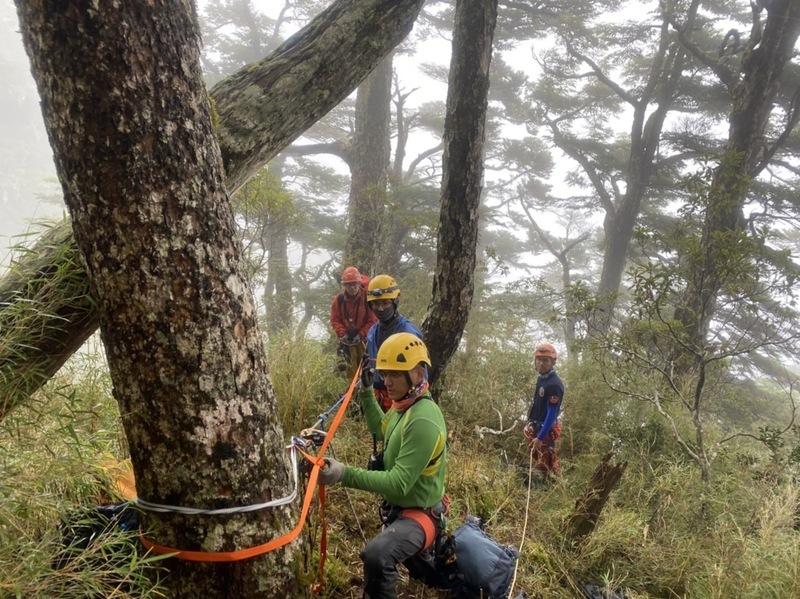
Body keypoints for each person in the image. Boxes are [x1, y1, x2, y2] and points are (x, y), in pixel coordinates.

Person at [317, 333, 447, 599]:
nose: (387, 381)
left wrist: (344, 473)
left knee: (377, 556)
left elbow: (399, 482)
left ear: (418, 373)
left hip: (421, 514)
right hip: (401, 509)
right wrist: (366, 392)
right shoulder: (405, 407)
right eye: (385, 373)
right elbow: (380, 428)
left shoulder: (423, 419)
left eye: (396, 375)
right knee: (422, 571)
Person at [363, 274, 423, 411]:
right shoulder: (372, 332)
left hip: (403, 400)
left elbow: (420, 377)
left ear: (395, 302)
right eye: (376, 304)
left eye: (385, 303)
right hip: (378, 397)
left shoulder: (409, 333)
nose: (381, 309)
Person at [523, 343, 564, 483]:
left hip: (546, 430)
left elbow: (551, 414)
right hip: (537, 425)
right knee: (538, 458)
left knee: (549, 463)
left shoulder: (554, 385)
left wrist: (540, 437)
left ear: (553, 362)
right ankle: (541, 483)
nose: (541, 363)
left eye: (545, 360)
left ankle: (554, 489)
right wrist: (529, 421)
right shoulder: (542, 378)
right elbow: (537, 403)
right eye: (539, 359)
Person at [330, 266, 377, 379]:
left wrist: (361, 334)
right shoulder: (339, 299)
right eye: (349, 285)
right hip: (347, 341)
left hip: (365, 340)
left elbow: (373, 320)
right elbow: (335, 319)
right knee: (345, 368)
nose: (352, 287)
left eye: (355, 284)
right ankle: (350, 391)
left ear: (359, 283)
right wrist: (343, 333)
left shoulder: (366, 297)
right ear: (344, 285)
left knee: (368, 367)